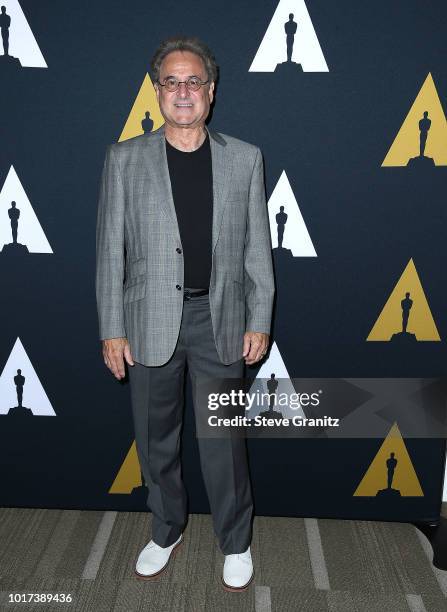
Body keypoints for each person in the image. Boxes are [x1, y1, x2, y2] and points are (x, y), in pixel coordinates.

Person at [95, 35, 275, 592]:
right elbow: (110, 251)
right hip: (147, 322)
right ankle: (166, 529)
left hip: (219, 319)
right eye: (171, 81)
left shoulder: (245, 159)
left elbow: (256, 251)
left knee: (223, 443)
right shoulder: (124, 159)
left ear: (211, 92)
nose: (183, 91)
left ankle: (236, 541)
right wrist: (112, 330)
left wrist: (259, 317)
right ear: (156, 92)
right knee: (157, 442)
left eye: (193, 81)